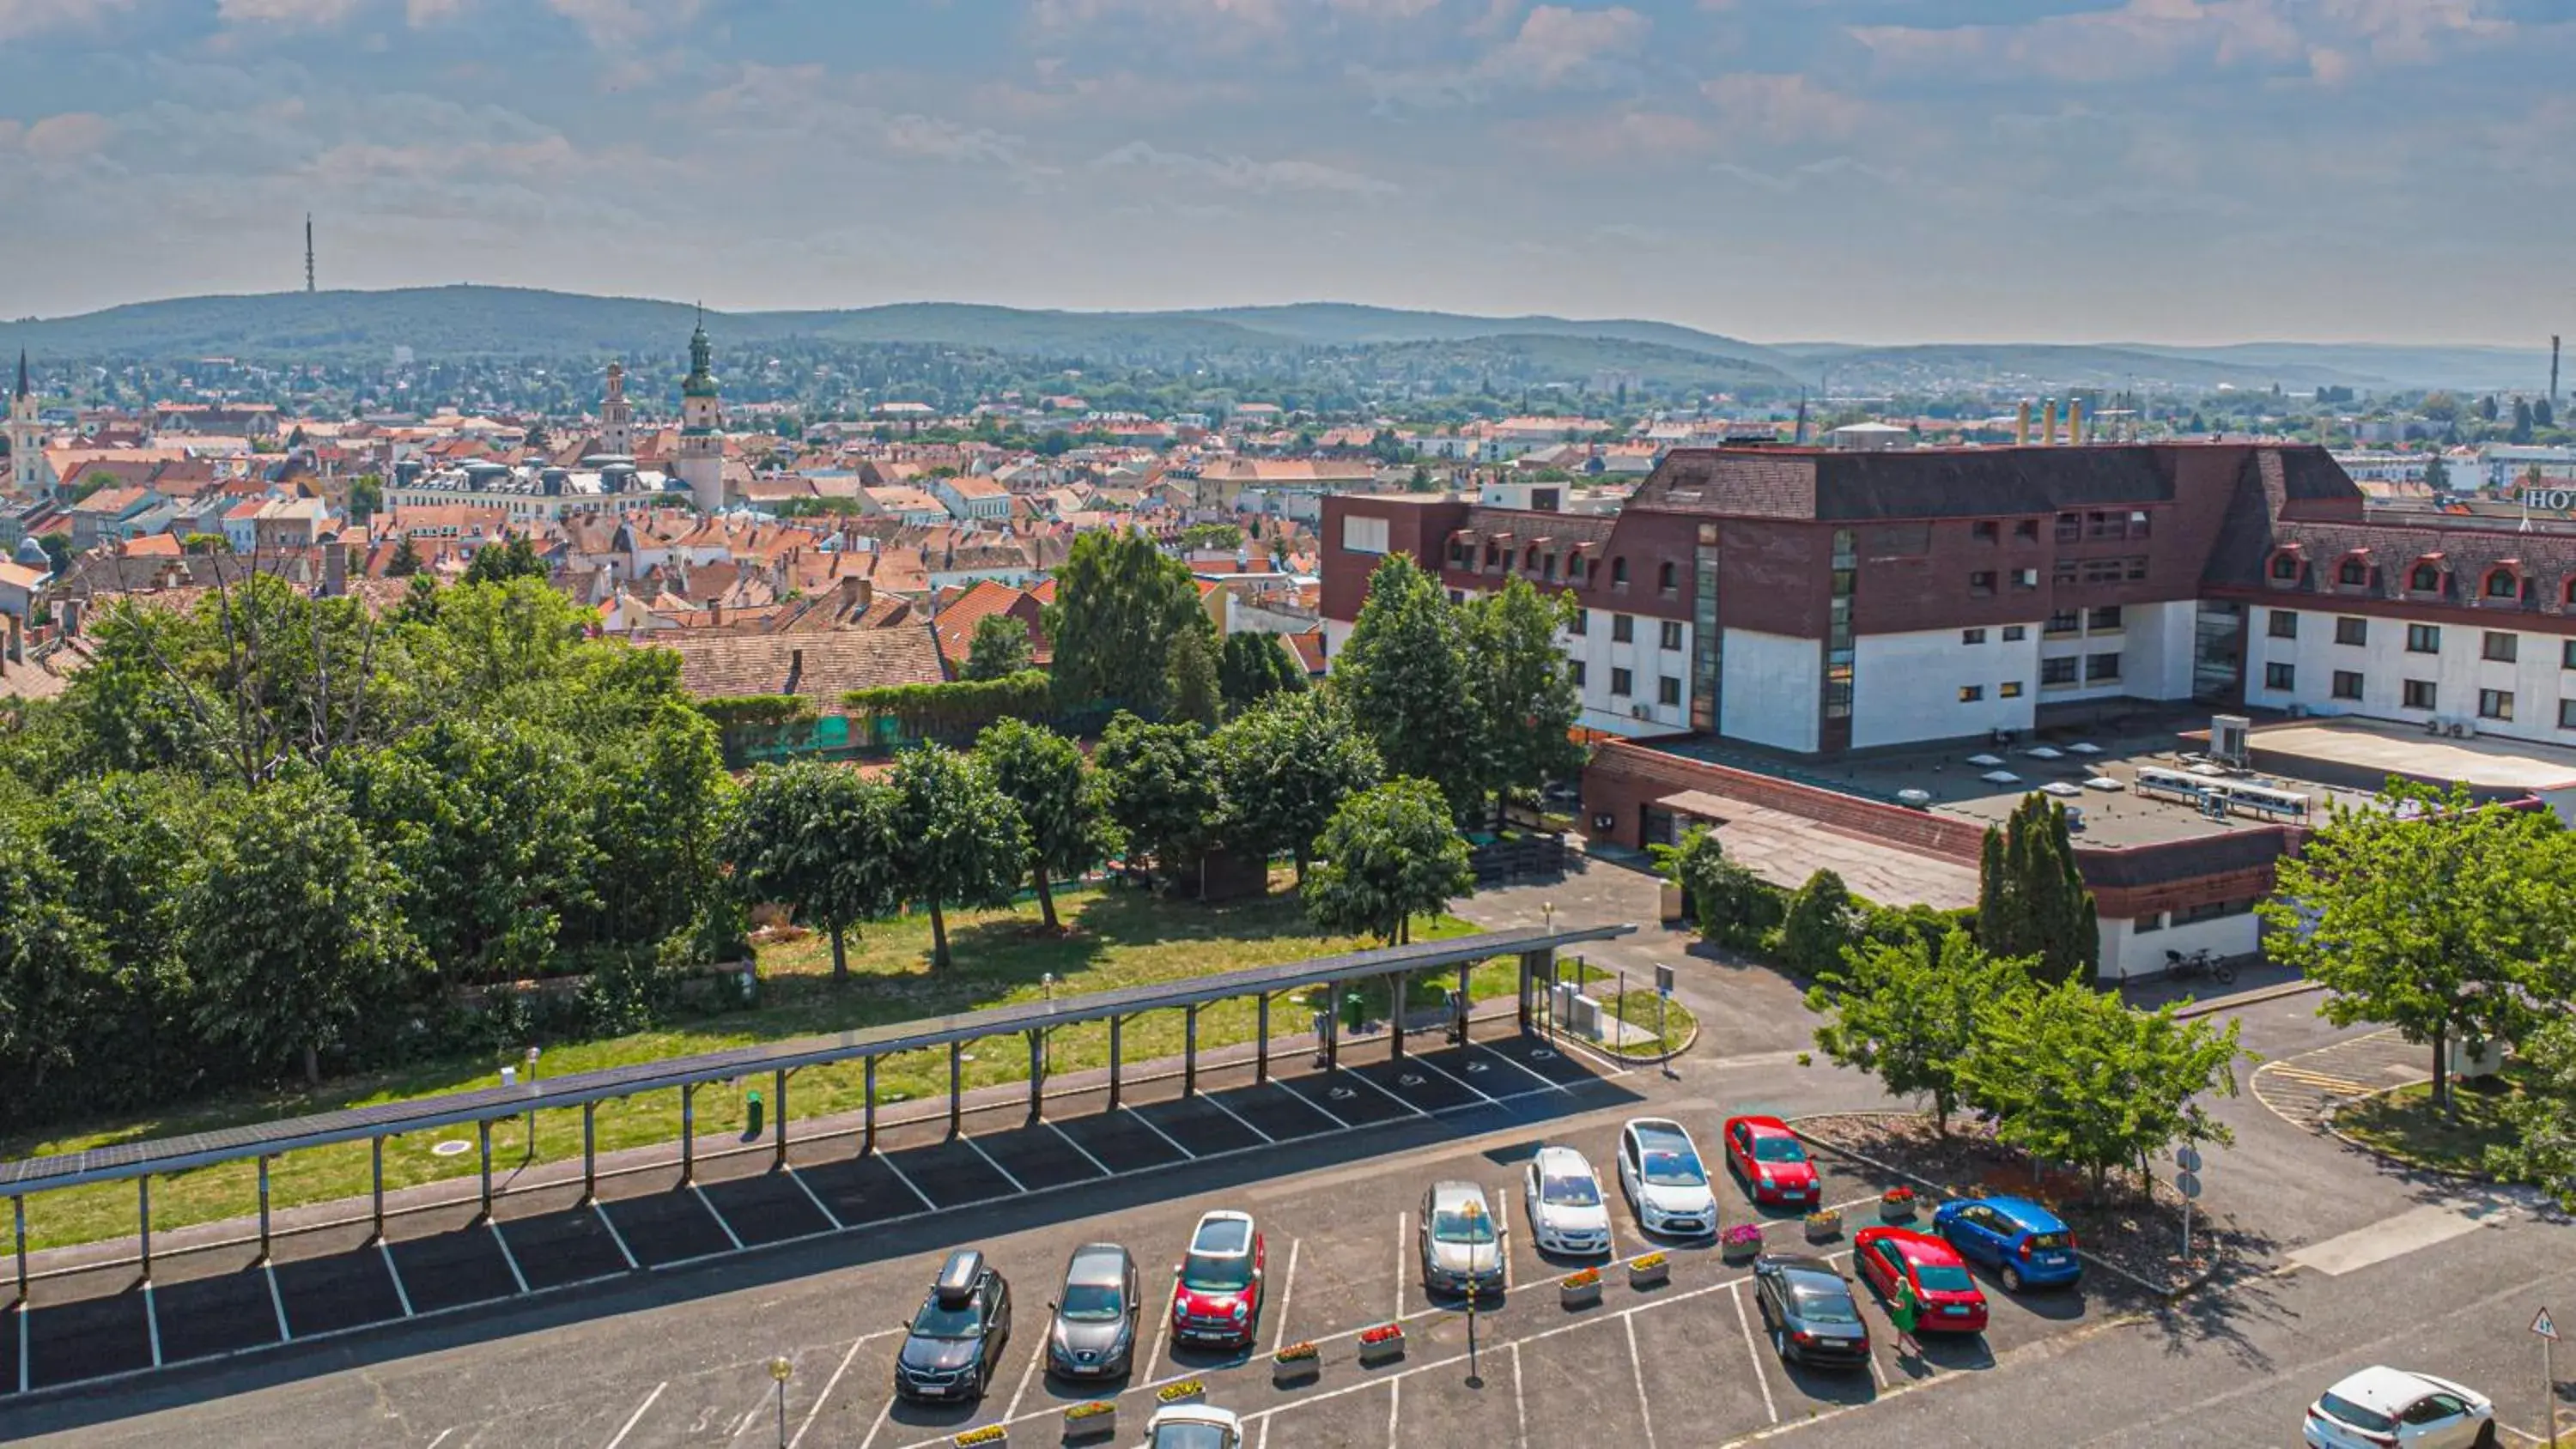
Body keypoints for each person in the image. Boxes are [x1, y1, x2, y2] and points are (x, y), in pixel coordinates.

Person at [1888, 1277, 1923, 1358]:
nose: (1897, 1285)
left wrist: (1891, 1303)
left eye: (1899, 1284)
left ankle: (1917, 1347)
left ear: (1901, 1285)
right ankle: (1898, 1345)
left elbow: (1900, 1307)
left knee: (1905, 1333)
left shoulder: (1901, 1294)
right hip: (1908, 1313)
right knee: (1901, 1330)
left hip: (1902, 1315)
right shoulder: (1911, 1291)